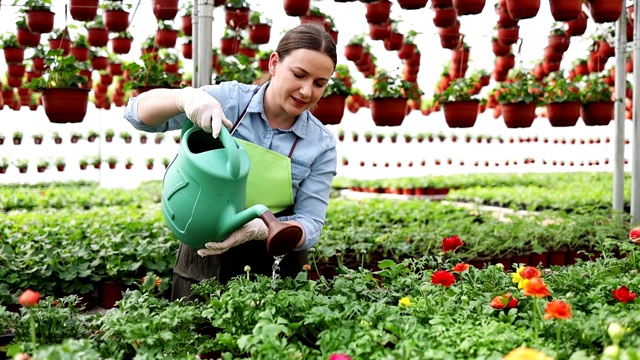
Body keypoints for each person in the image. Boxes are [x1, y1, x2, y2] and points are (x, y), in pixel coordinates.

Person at [123, 22, 338, 301]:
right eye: (299, 75)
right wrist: (183, 98)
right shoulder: (229, 101)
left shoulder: (320, 144)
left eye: (319, 83)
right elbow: (136, 114)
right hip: (204, 248)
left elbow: (311, 223)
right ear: (274, 63)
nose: (307, 91)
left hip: (273, 261)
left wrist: (263, 229)